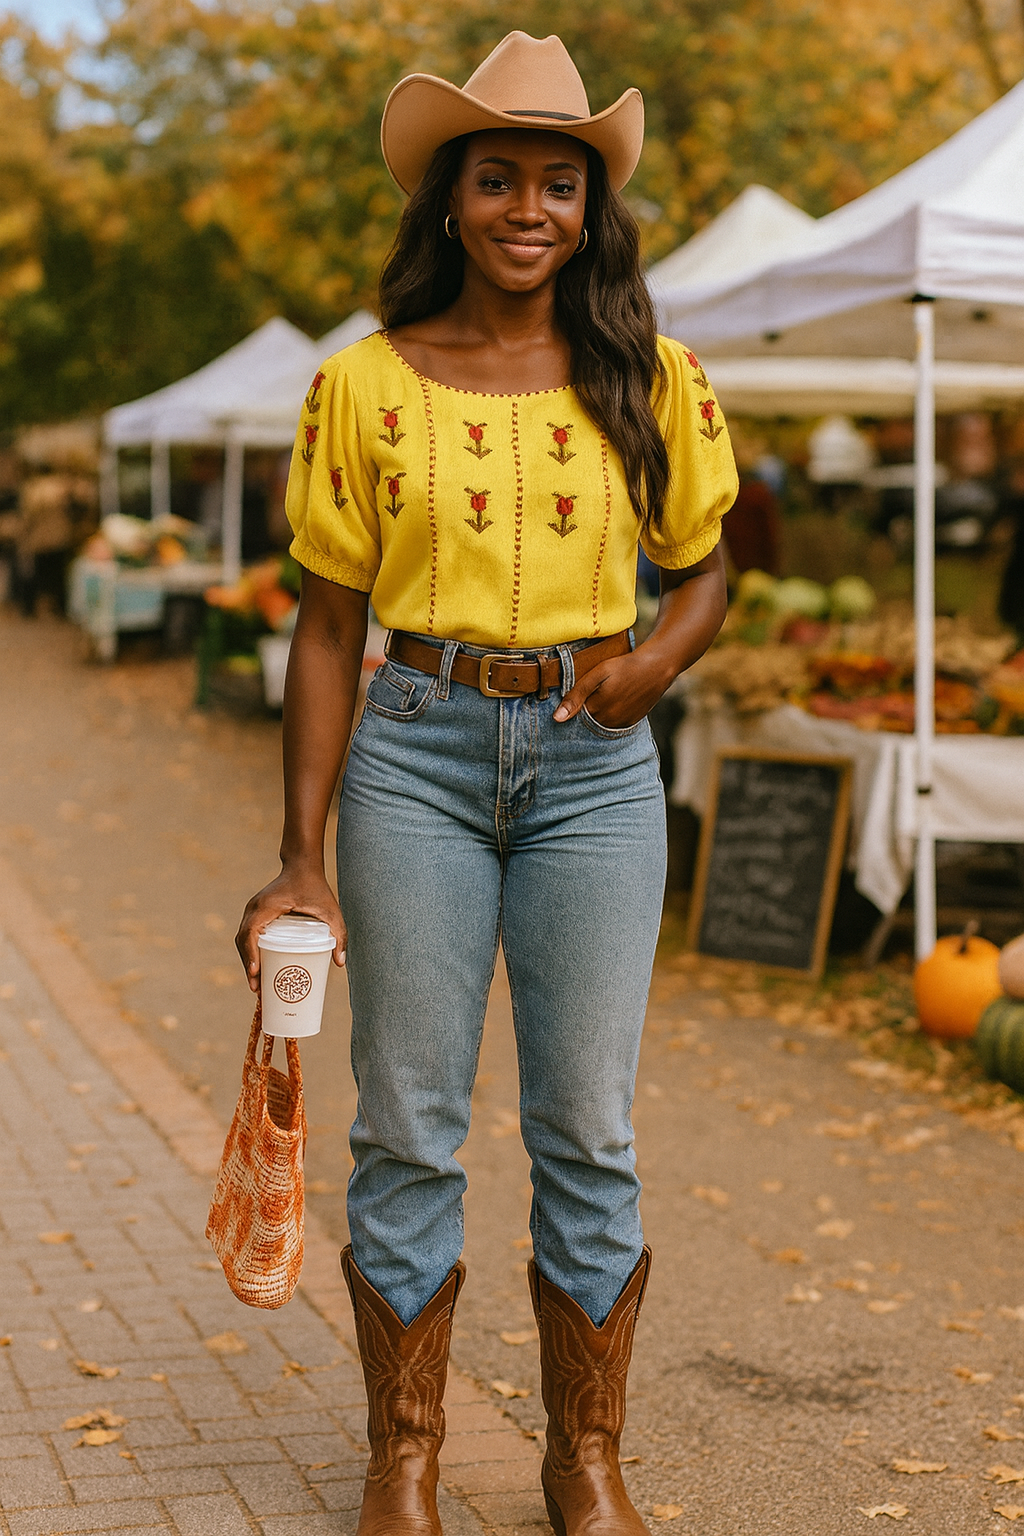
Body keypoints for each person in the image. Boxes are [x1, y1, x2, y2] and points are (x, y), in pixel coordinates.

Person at [236, 32, 736, 1536]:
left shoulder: (650, 377)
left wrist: (651, 667)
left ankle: (584, 1455)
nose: (531, 205)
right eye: (500, 176)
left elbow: (709, 576)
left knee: (588, 1123)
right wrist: (299, 854)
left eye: (559, 182)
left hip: (595, 770)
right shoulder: (360, 387)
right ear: (451, 199)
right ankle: (405, 1455)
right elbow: (328, 628)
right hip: (416, 757)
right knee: (408, 1115)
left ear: (592, 207)